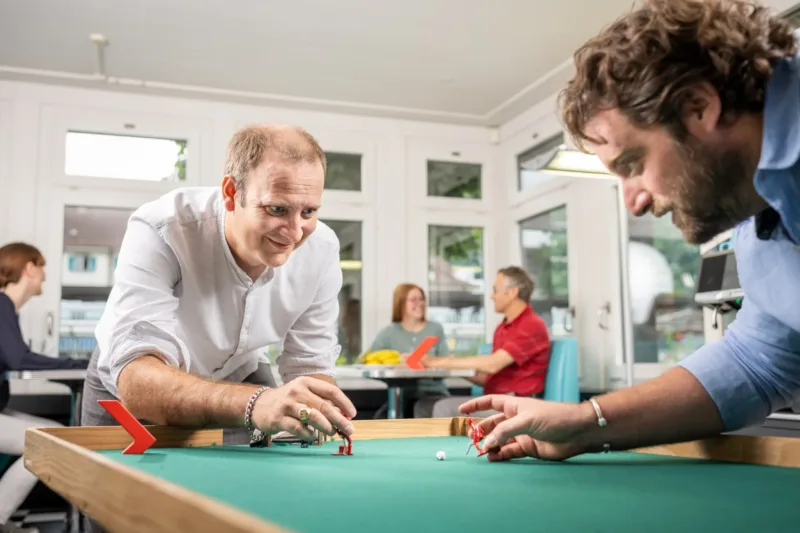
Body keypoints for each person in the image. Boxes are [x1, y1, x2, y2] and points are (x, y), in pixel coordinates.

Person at [459, 0, 800, 463]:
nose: (633, 201)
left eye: (633, 164)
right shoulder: (753, 223)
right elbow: (755, 364)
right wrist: (581, 423)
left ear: (699, 107)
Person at [81, 124, 357, 451]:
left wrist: (317, 411)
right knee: (113, 499)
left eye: (308, 211)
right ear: (230, 193)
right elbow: (138, 380)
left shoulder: (321, 249)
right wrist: (256, 403)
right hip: (133, 385)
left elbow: (310, 367)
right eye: (277, 209)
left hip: (238, 373)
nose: (295, 232)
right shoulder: (161, 228)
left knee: (247, 494)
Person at [0, 242, 88, 533]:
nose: (45, 275)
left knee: (54, 436)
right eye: (42, 267)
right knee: (51, 444)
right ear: (29, 268)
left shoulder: (7, 308)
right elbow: (19, 358)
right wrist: (78, 364)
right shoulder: (1, 305)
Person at [418, 267, 551, 418]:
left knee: (443, 408)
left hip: (516, 404)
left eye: (495, 290)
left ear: (513, 292)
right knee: (423, 406)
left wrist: (438, 362)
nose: (491, 296)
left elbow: (493, 364)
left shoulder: (531, 325)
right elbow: (488, 378)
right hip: (497, 399)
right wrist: (455, 366)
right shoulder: (503, 328)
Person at [367, 283, 450, 416]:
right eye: (413, 299)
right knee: (380, 418)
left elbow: (447, 362)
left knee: (420, 411)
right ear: (401, 303)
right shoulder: (388, 333)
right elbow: (368, 360)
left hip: (433, 393)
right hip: (400, 396)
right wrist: (396, 363)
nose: (420, 303)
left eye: (421, 299)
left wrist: (425, 362)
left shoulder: (435, 329)